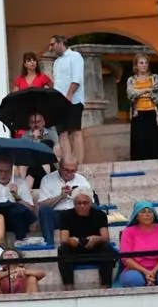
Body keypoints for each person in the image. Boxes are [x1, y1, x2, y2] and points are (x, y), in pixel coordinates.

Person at [57, 187, 115, 289]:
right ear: (74, 204)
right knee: (63, 249)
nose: (82, 206)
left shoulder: (99, 214)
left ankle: (106, 287)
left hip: (94, 248)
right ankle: (69, 288)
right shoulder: (66, 215)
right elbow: (63, 239)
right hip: (75, 248)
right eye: (78, 203)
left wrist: (97, 238)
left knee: (107, 248)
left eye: (85, 203)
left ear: (90, 202)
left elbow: (105, 237)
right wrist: (71, 240)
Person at [117, 202, 158, 287]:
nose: (147, 214)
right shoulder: (128, 232)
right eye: (143, 212)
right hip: (135, 269)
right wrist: (145, 272)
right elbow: (126, 258)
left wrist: (153, 271)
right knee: (133, 279)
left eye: (150, 212)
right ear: (137, 216)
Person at [37, 155, 92, 246]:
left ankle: (89, 243)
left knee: (92, 209)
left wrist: (77, 198)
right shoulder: (47, 179)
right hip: (57, 215)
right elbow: (42, 205)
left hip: (76, 214)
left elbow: (91, 202)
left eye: (73, 171)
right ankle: (49, 244)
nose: (69, 173)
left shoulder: (81, 180)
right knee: (44, 210)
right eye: (66, 170)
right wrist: (61, 196)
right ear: (60, 166)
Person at [49, 35, 86, 163]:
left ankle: (79, 163)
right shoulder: (56, 62)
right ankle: (68, 162)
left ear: (60, 43)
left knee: (75, 131)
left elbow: (77, 78)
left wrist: (69, 95)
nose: (51, 47)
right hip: (59, 102)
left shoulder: (75, 56)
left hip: (73, 99)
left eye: (52, 44)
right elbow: (57, 83)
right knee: (62, 133)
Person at [0, 159, 36, 241]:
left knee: (17, 210)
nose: (3, 175)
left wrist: (16, 196)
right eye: (0, 171)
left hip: (15, 218)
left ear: (12, 170)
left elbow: (30, 209)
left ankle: (21, 242)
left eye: (6, 171)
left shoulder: (21, 183)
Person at [126, 54, 158, 160]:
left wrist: (138, 93)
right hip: (137, 113)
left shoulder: (154, 77)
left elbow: (157, 94)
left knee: (153, 140)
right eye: (141, 63)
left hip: (152, 111)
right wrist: (147, 90)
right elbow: (130, 94)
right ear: (136, 65)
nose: (144, 65)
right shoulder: (131, 80)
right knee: (139, 140)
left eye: (146, 63)